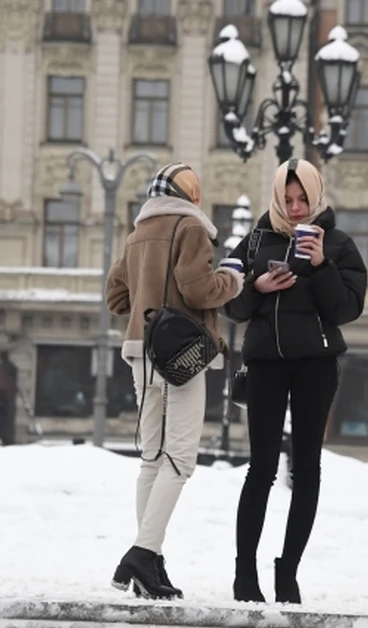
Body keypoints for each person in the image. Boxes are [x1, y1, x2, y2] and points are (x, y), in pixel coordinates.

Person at [223, 158, 368, 604]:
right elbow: (230, 306)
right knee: (261, 469)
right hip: (266, 364)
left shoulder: (339, 245)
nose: (296, 206)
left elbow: (346, 310)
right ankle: (244, 574)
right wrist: (258, 288)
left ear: (316, 195)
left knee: (306, 470)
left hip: (316, 367)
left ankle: (288, 571)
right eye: (287, 199)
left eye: (303, 198)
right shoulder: (254, 242)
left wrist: (322, 264)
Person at [105, 162, 243, 600]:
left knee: (151, 457)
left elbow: (115, 296)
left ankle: (151, 561)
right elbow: (201, 290)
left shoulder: (137, 233)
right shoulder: (190, 228)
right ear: (189, 194)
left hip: (140, 353)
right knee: (181, 459)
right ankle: (143, 553)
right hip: (181, 354)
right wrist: (233, 279)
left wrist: (149, 307)